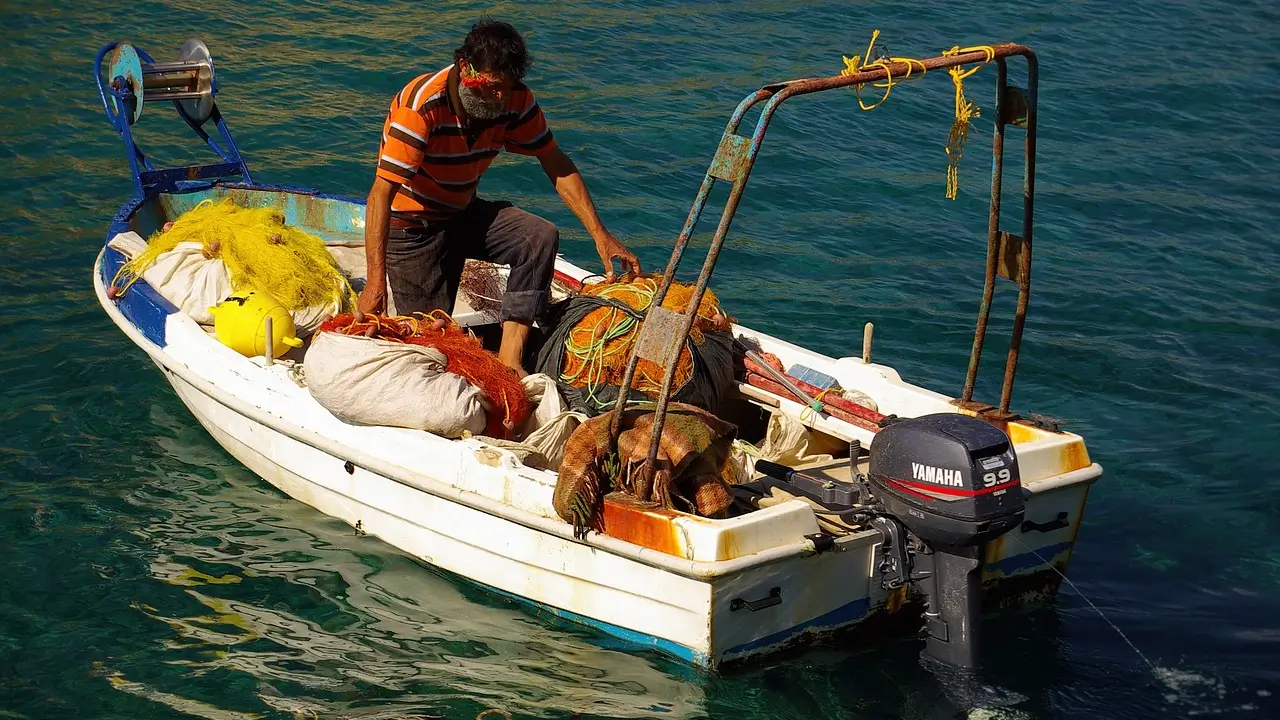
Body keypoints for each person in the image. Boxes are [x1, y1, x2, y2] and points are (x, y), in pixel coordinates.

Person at [358, 17, 641, 376]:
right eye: (491, 87)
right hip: (413, 229)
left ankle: (510, 360)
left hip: (462, 212)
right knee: (432, 344)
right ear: (465, 67)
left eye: (506, 88)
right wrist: (374, 283)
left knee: (538, 236)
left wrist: (601, 234)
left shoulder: (514, 101)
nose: (499, 98)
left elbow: (555, 162)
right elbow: (380, 196)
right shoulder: (421, 107)